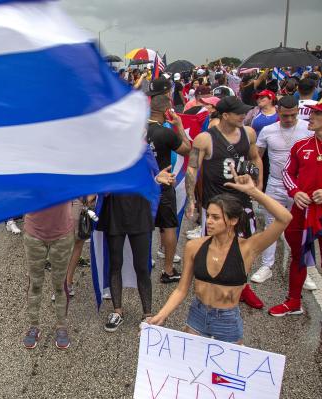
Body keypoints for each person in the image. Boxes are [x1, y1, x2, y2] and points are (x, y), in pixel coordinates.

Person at [148, 169, 292, 343]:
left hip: (228, 321)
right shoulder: (194, 246)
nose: (208, 221)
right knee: (194, 368)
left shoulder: (247, 248)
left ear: (233, 220)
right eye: (208, 216)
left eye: (216, 217)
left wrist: (253, 192)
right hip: (197, 316)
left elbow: (284, 218)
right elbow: (181, 289)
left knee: (224, 371)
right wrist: (161, 315)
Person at [189, 96, 265, 309]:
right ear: (225, 115)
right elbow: (193, 168)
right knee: (214, 246)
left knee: (244, 246)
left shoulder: (248, 133)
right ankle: (213, 287)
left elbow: (255, 157)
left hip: (241, 201)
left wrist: (258, 184)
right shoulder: (205, 138)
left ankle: (243, 287)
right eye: (239, 112)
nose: (244, 115)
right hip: (216, 203)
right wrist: (190, 200)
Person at [99, 144, 177, 332]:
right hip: (115, 212)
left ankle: (147, 314)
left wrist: (157, 179)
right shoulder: (109, 150)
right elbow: (102, 183)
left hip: (139, 212)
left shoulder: (144, 149)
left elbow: (153, 177)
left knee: (142, 265)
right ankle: (117, 311)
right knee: (115, 262)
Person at [251, 96, 313, 285]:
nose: (289, 119)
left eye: (293, 115)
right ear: (278, 112)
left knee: (301, 228)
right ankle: (266, 265)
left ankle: (305, 270)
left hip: (300, 187)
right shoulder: (268, 130)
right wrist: (257, 180)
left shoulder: (307, 127)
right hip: (276, 183)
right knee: (271, 224)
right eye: (285, 116)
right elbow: (257, 156)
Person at [272, 102, 322, 316]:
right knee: (298, 255)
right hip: (303, 210)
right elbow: (287, 173)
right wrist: (295, 192)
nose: (309, 117)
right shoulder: (301, 145)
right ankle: (293, 301)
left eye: (316, 114)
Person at [146, 86, 192, 283]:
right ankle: (168, 270)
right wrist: (179, 125)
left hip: (144, 186)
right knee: (168, 227)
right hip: (164, 186)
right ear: (167, 111)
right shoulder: (166, 133)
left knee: (144, 228)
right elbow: (187, 149)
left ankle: (143, 265)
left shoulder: (138, 130)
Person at [21, 199, 75, 349]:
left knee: (60, 285)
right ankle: (33, 325)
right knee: (35, 284)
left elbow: (81, 191)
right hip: (34, 234)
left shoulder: (67, 174)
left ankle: (61, 326)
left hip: (63, 235)